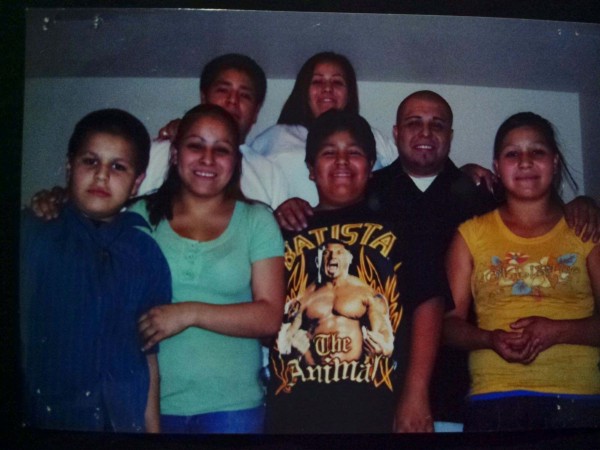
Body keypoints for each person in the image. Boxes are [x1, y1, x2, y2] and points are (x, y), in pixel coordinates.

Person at [275, 90, 600, 431]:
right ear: (397, 133)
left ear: (451, 136)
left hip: (464, 388)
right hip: (379, 389)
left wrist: (583, 202)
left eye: (438, 125)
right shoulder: (367, 189)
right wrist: (290, 207)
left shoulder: (480, 195)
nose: (426, 133)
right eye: (414, 123)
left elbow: (537, 209)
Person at [265, 109, 447, 433]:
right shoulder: (282, 230)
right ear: (310, 169)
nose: (341, 161)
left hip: (378, 409)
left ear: (371, 167)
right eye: (328, 152)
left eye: (354, 152)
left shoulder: (403, 224)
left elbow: (429, 303)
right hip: (293, 412)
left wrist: (416, 394)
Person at [443, 112, 600, 431]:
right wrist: (489, 339)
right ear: (497, 167)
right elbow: (447, 326)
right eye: (512, 153)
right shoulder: (469, 235)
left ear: (554, 162)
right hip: (493, 402)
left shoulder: (587, 231)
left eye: (537, 151)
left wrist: (556, 331)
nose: (525, 161)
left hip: (578, 402)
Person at [133, 104, 285, 434]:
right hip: (150, 406)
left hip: (234, 409)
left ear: (236, 162)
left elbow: (270, 316)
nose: (207, 158)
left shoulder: (256, 220)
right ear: (175, 154)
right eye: (195, 145)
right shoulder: (140, 216)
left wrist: (189, 313)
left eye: (222, 149)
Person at [20, 109, 172, 432]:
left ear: (137, 183)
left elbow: (149, 357)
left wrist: (154, 432)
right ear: (69, 167)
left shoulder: (147, 254)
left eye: (118, 167)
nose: (102, 176)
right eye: (90, 161)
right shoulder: (34, 236)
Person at [30, 53, 288, 216]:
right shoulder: (159, 152)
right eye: (223, 90)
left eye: (245, 95)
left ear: (256, 112)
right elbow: (104, 201)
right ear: (203, 97)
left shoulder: (267, 172)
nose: (232, 102)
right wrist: (63, 198)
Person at [250, 51, 398, 207]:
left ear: (349, 94)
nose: (327, 88)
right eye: (317, 81)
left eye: (337, 82)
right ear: (304, 91)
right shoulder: (275, 138)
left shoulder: (373, 137)